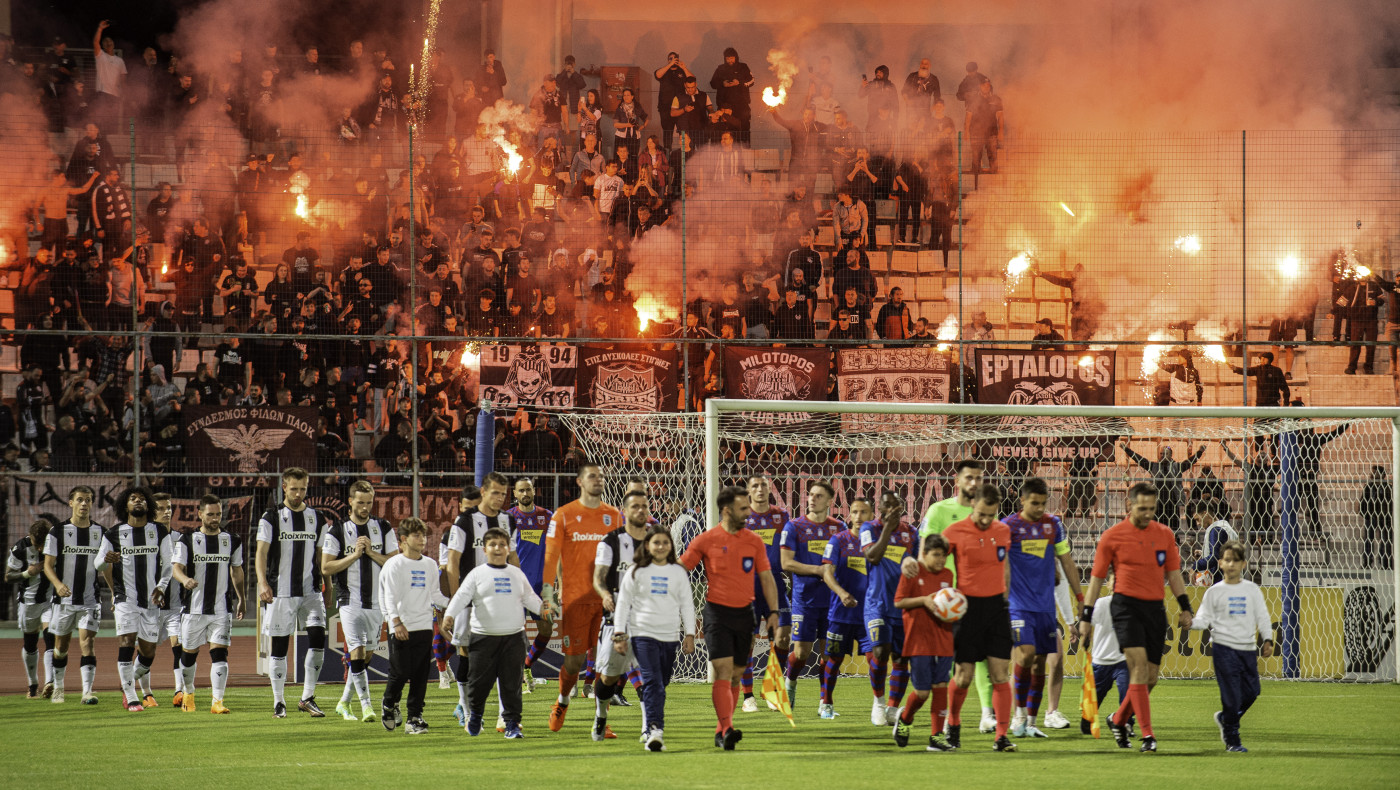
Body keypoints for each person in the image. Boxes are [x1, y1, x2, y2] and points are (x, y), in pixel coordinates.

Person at [1078, 482, 1194, 753]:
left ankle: (1117, 719)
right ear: (1130, 505)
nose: (1147, 514)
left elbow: (1174, 574)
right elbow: (1095, 580)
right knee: (1139, 669)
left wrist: (1185, 606)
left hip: (1154, 608)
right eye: (1142, 508)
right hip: (1125, 608)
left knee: (1151, 677)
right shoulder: (1112, 536)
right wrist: (1086, 615)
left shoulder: (1164, 534)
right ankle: (1147, 736)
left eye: (1151, 509)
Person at [679, 485, 779, 750]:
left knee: (736, 675)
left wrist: (774, 612)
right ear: (726, 510)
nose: (748, 513)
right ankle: (728, 729)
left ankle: (721, 728)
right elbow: (681, 569)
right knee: (723, 671)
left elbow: (767, 578)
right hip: (717, 614)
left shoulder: (754, 541)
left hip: (745, 615)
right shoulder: (705, 540)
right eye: (743, 508)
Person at [916, 459, 996, 733]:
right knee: (950, 659)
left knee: (983, 656)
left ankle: (988, 714)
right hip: (945, 599)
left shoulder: (986, 514)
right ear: (958, 480)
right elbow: (924, 551)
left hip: (977, 595)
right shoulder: (940, 511)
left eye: (978, 478)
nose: (974, 483)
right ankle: (948, 716)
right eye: (969, 478)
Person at [1003, 477, 1084, 738]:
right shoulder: (1008, 527)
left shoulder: (1053, 525)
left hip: (1045, 607)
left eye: (1043, 503)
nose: (1039, 508)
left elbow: (1066, 562)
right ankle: (1018, 716)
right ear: (1022, 501)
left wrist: (1081, 597)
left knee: (1039, 664)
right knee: (1025, 655)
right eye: (1034, 503)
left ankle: (1032, 722)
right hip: (1018, 605)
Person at [443, 527, 542, 739]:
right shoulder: (477, 574)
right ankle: (476, 716)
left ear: (508, 548)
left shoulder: (516, 573)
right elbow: (461, 597)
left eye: (502, 545)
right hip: (483, 638)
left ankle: (512, 724)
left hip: (514, 638)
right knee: (479, 685)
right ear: (484, 548)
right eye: (493, 545)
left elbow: (530, 598)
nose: (498, 548)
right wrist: (450, 615)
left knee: (512, 685)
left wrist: (545, 610)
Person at [542, 462, 620, 731]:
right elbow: (552, 556)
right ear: (579, 481)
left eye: (601, 476)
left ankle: (602, 719)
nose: (598, 480)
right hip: (575, 598)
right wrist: (549, 591)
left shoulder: (614, 516)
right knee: (574, 663)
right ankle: (562, 700)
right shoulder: (563, 515)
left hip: (607, 600)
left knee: (606, 662)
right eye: (592, 476)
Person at [941, 484, 1017, 752]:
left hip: (997, 609)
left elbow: (1004, 564)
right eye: (982, 514)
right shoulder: (954, 532)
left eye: (991, 515)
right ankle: (953, 724)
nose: (986, 520)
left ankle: (1001, 735)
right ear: (972, 505)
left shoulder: (1002, 531)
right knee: (963, 676)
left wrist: (1006, 597)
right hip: (967, 610)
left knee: (1000, 675)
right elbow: (933, 559)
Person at [443, 472, 520, 726]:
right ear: (483, 492)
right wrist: (457, 601)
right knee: (467, 654)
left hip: (502, 600)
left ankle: (503, 715)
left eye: (503, 493)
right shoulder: (464, 521)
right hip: (471, 600)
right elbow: (452, 562)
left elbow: (514, 559)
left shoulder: (508, 520)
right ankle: (465, 707)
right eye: (495, 492)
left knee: (505, 656)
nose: (500, 498)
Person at [255, 467, 330, 718]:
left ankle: (307, 697)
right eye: (294, 488)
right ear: (284, 487)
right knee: (279, 646)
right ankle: (279, 701)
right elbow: (261, 553)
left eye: (303, 489)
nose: (298, 493)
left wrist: (327, 585)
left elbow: (321, 555)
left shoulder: (317, 518)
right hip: (281, 592)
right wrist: (263, 582)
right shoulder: (271, 517)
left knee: (318, 640)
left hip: (310, 590)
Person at [613, 527, 697, 752]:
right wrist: (620, 633)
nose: (660, 547)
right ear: (647, 545)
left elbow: (687, 604)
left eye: (665, 543)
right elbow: (623, 604)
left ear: (670, 546)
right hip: (643, 635)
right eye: (656, 542)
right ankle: (654, 730)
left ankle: (653, 725)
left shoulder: (678, 571)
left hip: (669, 637)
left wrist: (690, 633)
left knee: (662, 683)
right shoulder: (636, 571)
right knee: (652, 682)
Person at [321, 480, 398, 722]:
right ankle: (367, 707)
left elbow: (394, 563)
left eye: (369, 502)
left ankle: (344, 702)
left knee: (366, 656)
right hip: (349, 600)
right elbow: (326, 567)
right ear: (351, 502)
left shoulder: (383, 527)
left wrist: (370, 552)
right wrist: (355, 554)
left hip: (377, 602)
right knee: (357, 651)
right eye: (360, 502)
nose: (365, 507)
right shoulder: (337, 530)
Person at [1188, 541, 1273, 752]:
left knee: (1253, 691)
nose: (1231, 564)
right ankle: (1233, 741)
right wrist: (1190, 623)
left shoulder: (1251, 590)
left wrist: (1268, 639)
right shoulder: (1214, 592)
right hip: (1223, 648)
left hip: (1247, 648)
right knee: (1231, 694)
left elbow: (1262, 616)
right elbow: (1203, 619)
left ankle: (1225, 718)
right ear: (1220, 563)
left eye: (1236, 560)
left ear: (1243, 564)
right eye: (1227, 560)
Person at [584, 489, 653, 740]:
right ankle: (601, 715)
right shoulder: (611, 541)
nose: (640, 510)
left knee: (649, 677)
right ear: (624, 512)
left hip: (647, 618)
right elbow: (598, 577)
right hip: (616, 621)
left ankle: (649, 728)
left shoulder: (657, 540)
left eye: (644, 506)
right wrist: (604, 594)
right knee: (608, 679)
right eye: (635, 506)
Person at [171, 495, 246, 714]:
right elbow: (176, 568)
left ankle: (217, 701)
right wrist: (185, 580)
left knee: (220, 654)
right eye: (210, 514)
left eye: (218, 514)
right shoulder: (187, 540)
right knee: (188, 656)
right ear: (200, 514)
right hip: (193, 609)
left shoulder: (232, 540)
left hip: (221, 609)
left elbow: (237, 571)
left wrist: (241, 598)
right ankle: (188, 694)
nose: (215, 518)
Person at [379, 517, 451, 735]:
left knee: (420, 675)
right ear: (403, 540)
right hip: (401, 626)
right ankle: (389, 703)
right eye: (417, 535)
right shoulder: (394, 564)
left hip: (423, 626)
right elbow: (389, 598)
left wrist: (457, 605)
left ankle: (415, 718)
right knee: (400, 673)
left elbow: (435, 595)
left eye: (423, 535)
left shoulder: (430, 564)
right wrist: (396, 622)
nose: (422, 539)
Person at [43, 486, 112, 705]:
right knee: (61, 647)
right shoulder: (58, 531)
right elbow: (47, 565)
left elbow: (105, 566)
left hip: (90, 599)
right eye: (80, 500)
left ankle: (87, 692)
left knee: (88, 642)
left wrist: (112, 589)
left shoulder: (101, 532)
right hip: (64, 600)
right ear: (70, 503)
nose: (84, 504)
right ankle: (59, 688)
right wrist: (58, 584)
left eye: (88, 500)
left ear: (92, 504)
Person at [780, 480, 845, 709]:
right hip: (804, 600)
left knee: (830, 655)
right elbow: (786, 563)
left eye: (818, 496)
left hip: (832, 602)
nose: (812, 499)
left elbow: (845, 560)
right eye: (811, 495)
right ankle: (790, 683)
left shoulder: (839, 528)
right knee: (801, 653)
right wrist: (819, 570)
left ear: (829, 501)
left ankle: (825, 702)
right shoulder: (793, 527)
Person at [859, 492, 920, 728]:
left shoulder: (911, 533)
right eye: (887, 507)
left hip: (903, 604)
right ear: (880, 508)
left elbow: (918, 564)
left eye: (896, 507)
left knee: (901, 658)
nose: (891, 511)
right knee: (880, 652)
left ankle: (893, 708)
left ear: (902, 507)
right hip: (877, 604)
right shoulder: (869, 528)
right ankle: (879, 703)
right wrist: (887, 529)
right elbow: (872, 556)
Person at [892, 533, 957, 750]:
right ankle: (905, 718)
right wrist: (924, 601)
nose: (941, 560)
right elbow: (899, 602)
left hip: (944, 639)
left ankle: (936, 737)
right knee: (922, 693)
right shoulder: (912, 572)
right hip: (919, 641)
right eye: (936, 555)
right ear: (925, 554)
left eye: (944, 556)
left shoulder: (948, 574)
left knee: (940, 687)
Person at [106, 487, 169, 713]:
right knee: (126, 642)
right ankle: (132, 696)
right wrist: (106, 559)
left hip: (150, 600)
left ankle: (127, 683)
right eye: (133, 499)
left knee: (148, 652)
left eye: (142, 499)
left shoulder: (159, 531)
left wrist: (161, 587)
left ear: (148, 505)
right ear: (125, 505)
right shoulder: (113, 533)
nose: (138, 501)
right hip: (125, 598)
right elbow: (98, 564)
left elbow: (168, 564)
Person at [816, 497, 873, 720]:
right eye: (855, 512)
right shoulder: (838, 540)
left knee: (875, 659)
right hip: (841, 613)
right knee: (834, 659)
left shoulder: (876, 543)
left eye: (864, 512)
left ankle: (880, 706)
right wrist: (841, 593)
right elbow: (826, 571)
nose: (859, 517)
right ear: (850, 515)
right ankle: (826, 703)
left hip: (869, 613)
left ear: (871, 515)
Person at [740, 475, 791, 712]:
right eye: (755, 486)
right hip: (748, 588)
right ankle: (748, 696)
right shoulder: (741, 516)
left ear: (769, 489)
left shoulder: (782, 516)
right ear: (748, 491)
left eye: (763, 485)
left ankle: (772, 691)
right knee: (747, 642)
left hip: (775, 586)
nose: (759, 489)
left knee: (781, 638)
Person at [508, 477, 555, 688]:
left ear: (534, 491)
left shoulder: (546, 516)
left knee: (546, 629)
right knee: (515, 635)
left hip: (540, 586)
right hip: (516, 586)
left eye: (528, 490)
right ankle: (515, 675)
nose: (525, 494)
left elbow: (556, 549)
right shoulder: (508, 518)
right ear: (514, 494)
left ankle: (527, 666)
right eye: (521, 491)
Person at [1081, 571, 1133, 736]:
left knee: (1128, 693)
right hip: (1101, 660)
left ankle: (1125, 724)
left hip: (1123, 660)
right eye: (1114, 580)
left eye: (1121, 580)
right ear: (1108, 584)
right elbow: (1089, 621)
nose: (1117, 583)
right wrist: (1086, 636)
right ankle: (1086, 721)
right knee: (1088, 717)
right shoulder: (1102, 604)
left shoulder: (1132, 605)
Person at [7, 519, 55, 698]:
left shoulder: (56, 545)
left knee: (51, 638)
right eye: (38, 544)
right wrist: (28, 573)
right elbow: (8, 576)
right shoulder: (20, 549)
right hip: (28, 603)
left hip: (50, 600)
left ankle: (50, 682)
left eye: (44, 544)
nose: (41, 549)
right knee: (30, 644)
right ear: (31, 537)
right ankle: (33, 684)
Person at [1120, 441, 1206, 531]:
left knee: (1173, 527)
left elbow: (1190, 461)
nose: (1163, 455)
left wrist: (1200, 452)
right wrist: (1126, 449)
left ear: (1171, 455)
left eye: (1165, 453)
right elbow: (1139, 459)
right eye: (1161, 453)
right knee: (1157, 527)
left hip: (1172, 503)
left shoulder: (1177, 467)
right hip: (1158, 503)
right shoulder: (1153, 466)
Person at [1191, 501, 1238, 585]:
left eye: (1197, 519)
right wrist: (1204, 553)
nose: (1198, 523)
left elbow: (1214, 558)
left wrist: (1195, 567)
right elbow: (1223, 552)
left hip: (1222, 582)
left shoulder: (1216, 530)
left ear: (1205, 513)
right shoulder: (1227, 527)